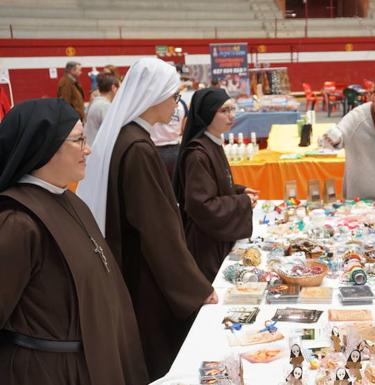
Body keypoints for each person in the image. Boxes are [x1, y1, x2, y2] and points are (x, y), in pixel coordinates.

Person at [77, 58, 217, 381]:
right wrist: (197, 289)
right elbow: (159, 232)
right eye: (174, 95)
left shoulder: (128, 138)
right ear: (154, 96)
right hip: (146, 274)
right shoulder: (138, 148)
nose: (177, 105)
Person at [0, 98, 148, 385]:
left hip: (95, 361)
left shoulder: (69, 200)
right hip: (49, 373)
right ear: (45, 145)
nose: (88, 149)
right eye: (79, 140)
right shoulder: (17, 223)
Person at [172, 88, 257, 282]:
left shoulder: (213, 143)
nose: (231, 116)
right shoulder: (198, 154)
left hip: (214, 238)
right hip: (205, 245)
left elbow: (215, 183)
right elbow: (201, 204)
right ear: (208, 114)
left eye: (232, 109)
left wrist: (239, 190)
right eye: (224, 111)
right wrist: (242, 202)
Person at [151, 95, 187, 180]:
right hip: (174, 149)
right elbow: (185, 126)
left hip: (155, 148)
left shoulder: (153, 101)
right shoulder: (181, 104)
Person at [85, 72, 119, 146]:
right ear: (114, 88)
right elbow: (110, 132)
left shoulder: (97, 103)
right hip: (97, 148)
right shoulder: (105, 106)